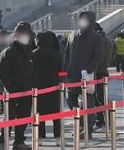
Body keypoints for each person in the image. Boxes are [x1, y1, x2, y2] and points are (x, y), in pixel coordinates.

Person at [64, 11, 104, 139]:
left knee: (88, 102)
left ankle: (87, 129)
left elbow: (99, 56)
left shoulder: (96, 38)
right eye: (82, 18)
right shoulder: (72, 35)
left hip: (87, 75)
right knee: (70, 100)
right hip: (72, 74)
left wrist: (89, 69)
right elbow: (66, 52)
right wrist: (66, 67)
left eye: (86, 19)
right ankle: (80, 123)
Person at [0, 23, 34, 150]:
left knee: (24, 116)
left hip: (26, 90)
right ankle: (3, 141)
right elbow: (1, 72)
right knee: (9, 117)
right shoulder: (8, 52)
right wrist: (11, 88)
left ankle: (19, 142)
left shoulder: (29, 51)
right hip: (11, 92)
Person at [32, 31, 63, 142]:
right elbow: (60, 68)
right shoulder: (56, 53)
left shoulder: (34, 53)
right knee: (55, 111)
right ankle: (58, 136)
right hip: (53, 85)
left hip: (38, 86)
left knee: (39, 112)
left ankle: (40, 137)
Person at [93, 23, 112, 131]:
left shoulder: (101, 40)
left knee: (101, 99)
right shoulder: (104, 38)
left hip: (100, 72)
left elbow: (102, 58)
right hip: (100, 72)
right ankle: (101, 122)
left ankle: (106, 123)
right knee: (98, 99)